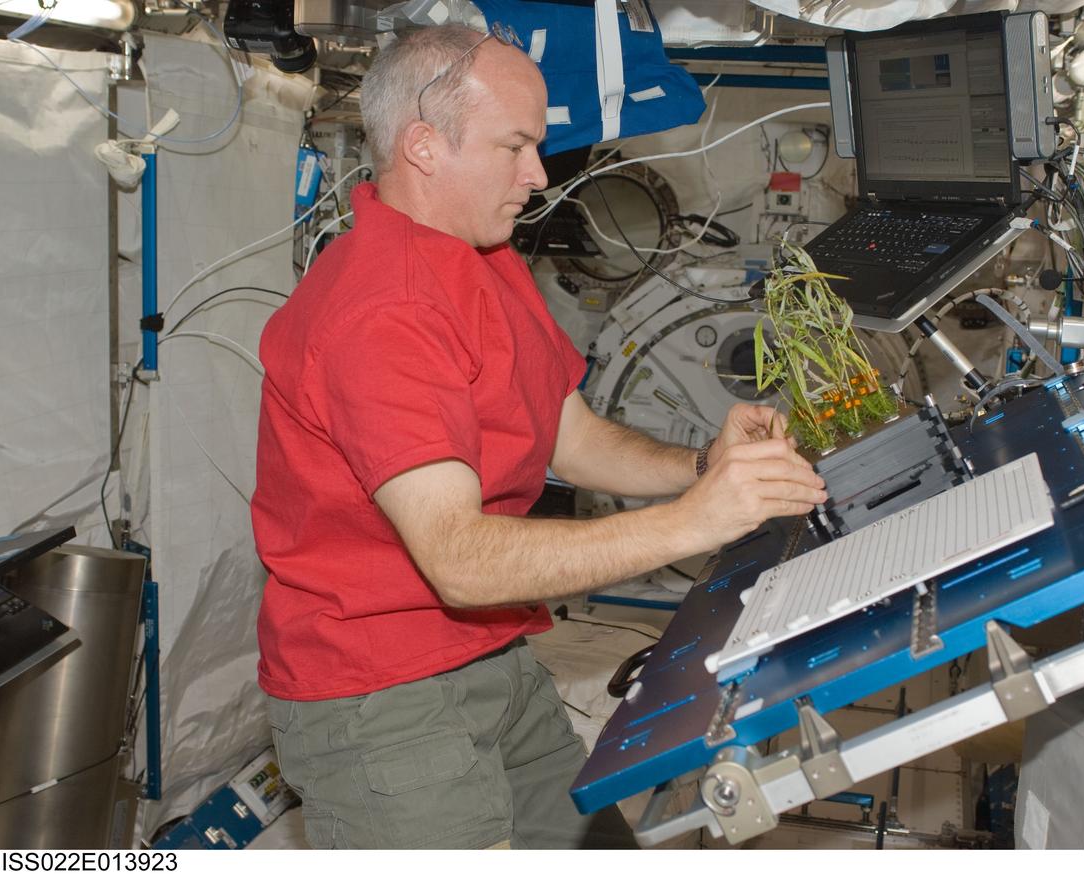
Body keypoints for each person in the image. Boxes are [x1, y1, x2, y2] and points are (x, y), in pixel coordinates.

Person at [251, 23, 827, 850]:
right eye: (515, 146)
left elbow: (565, 434)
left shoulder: (481, 257)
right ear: (423, 146)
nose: (537, 175)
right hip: (381, 693)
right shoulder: (383, 310)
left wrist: (703, 466)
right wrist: (694, 521)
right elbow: (460, 560)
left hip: (490, 653)